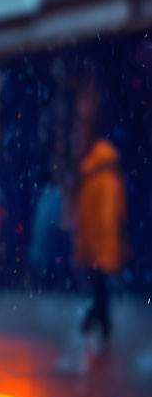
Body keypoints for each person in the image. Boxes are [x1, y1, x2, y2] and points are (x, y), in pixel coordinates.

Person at [75, 137, 127, 342]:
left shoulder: (91, 179)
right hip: (103, 245)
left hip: (93, 245)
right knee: (102, 290)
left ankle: (96, 324)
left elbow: (87, 217)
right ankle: (99, 325)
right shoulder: (110, 181)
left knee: (98, 289)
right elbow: (110, 216)